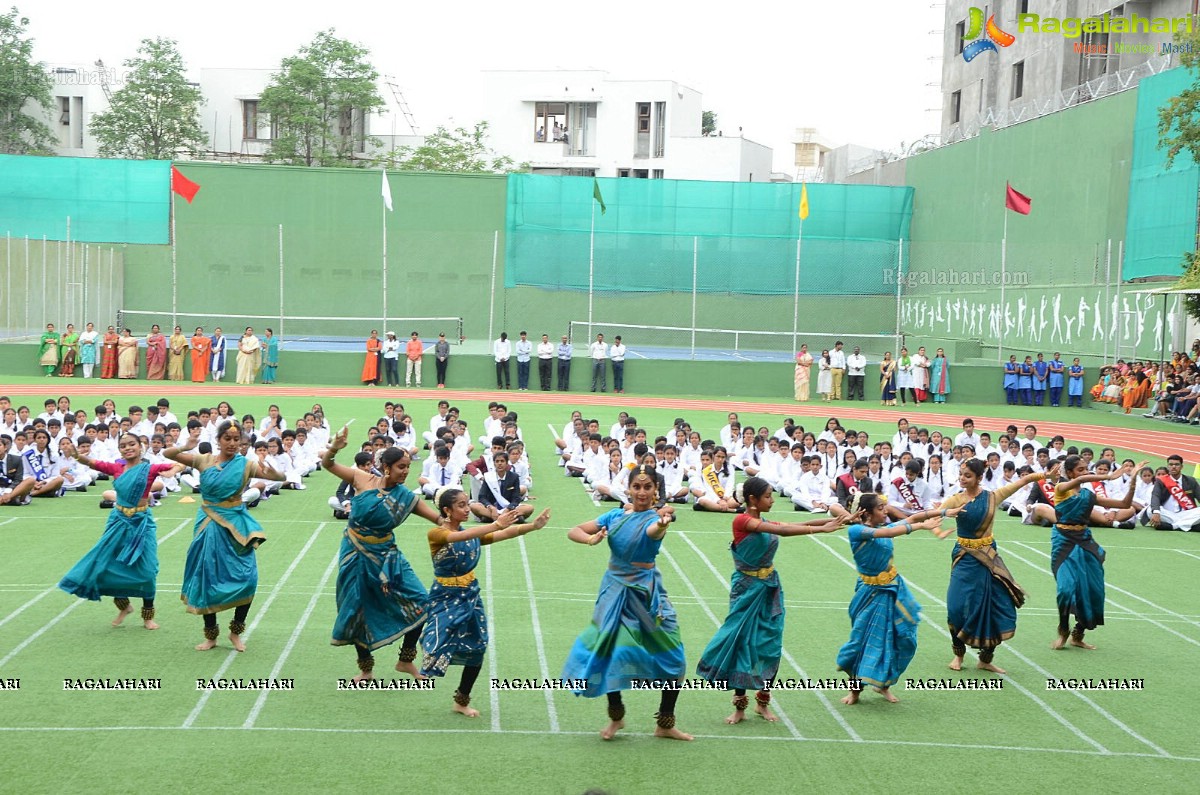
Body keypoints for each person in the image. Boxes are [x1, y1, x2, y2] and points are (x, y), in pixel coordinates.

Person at [696, 477, 847, 723]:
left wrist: (837, 521)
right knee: (742, 643)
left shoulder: (762, 520)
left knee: (771, 644)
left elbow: (799, 522)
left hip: (770, 589)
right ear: (753, 500)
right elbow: (783, 530)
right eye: (768, 496)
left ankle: (763, 702)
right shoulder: (742, 520)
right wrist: (821, 529)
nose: (772, 500)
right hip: (746, 590)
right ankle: (740, 707)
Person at [562, 464, 692, 741]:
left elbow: (653, 532)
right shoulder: (614, 515)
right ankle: (616, 717)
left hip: (646, 594)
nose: (642, 492)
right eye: (637, 487)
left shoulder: (653, 520)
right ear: (628, 488)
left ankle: (665, 722)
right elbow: (573, 531)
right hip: (614, 591)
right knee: (610, 653)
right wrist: (591, 539)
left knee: (674, 658)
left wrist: (662, 523)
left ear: (656, 490)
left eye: (647, 487)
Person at [323, 430, 442, 681]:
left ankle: (405, 660)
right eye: (401, 467)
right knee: (357, 609)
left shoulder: (406, 497)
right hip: (355, 553)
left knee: (422, 602)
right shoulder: (361, 479)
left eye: (408, 467)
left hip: (388, 557)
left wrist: (476, 526)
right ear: (385, 467)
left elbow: (439, 519)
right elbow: (328, 464)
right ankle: (366, 669)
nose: (406, 471)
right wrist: (335, 447)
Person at [421, 488, 550, 715]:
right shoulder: (437, 534)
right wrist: (496, 524)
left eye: (466, 503)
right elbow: (458, 537)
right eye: (461, 505)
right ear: (446, 511)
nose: (466, 508)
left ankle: (461, 700)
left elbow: (504, 534)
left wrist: (533, 526)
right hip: (445, 597)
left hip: (470, 595)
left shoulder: (472, 534)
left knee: (478, 646)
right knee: (437, 643)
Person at [165, 421, 285, 651]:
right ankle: (211, 636)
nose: (232, 443)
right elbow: (168, 453)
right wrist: (187, 444)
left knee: (247, 578)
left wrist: (275, 472)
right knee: (207, 576)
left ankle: (236, 631)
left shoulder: (246, 464)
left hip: (237, 526)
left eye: (236, 439)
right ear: (218, 440)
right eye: (227, 439)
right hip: (209, 523)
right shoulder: (204, 460)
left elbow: (279, 476)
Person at [937, 458, 1055, 673]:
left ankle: (985, 658)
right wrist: (937, 528)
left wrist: (1046, 476)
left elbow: (1024, 480)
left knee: (994, 606)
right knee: (956, 607)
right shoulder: (956, 500)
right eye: (961, 474)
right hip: (964, 557)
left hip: (989, 558)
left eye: (968, 475)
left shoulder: (992, 497)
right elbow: (934, 517)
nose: (962, 478)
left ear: (979, 478)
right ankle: (958, 655)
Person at [836, 493, 952, 704]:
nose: (886, 511)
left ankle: (884, 684)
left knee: (902, 638)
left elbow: (912, 517)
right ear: (866, 512)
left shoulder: (883, 528)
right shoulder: (857, 531)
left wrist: (945, 511)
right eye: (881, 508)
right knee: (861, 643)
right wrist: (921, 527)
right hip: (870, 593)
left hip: (894, 589)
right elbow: (894, 530)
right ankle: (855, 691)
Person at [57, 435, 176, 630]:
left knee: (147, 570)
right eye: (123, 446)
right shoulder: (116, 468)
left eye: (132, 444)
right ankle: (124, 606)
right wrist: (76, 455)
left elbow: (175, 466)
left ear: (140, 447)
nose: (127, 448)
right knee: (108, 564)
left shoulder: (150, 468)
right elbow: (92, 463)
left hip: (141, 524)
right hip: (119, 521)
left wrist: (174, 471)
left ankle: (148, 615)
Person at [1032, 455, 1145, 650]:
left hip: (1085, 541)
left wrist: (1132, 479)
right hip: (1064, 542)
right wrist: (1108, 477)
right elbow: (1080, 481)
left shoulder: (1088, 496)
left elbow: (1125, 504)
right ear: (1069, 473)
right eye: (1080, 470)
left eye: (1086, 469)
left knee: (1094, 591)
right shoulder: (1061, 489)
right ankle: (1063, 629)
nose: (1085, 473)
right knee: (1065, 590)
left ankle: (1078, 632)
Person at [1147, 454, 1200, 531]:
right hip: (1167, 514)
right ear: (1168, 466)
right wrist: (1156, 512)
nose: (1174, 467)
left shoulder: (1191, 481)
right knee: (1150, 510)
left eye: (1177, 464)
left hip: (1186, 514)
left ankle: (1173, 526)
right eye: (1171, 464)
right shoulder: (1160, 481)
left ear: (1182, 467)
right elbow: (1155, 496)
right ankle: (1189, 526)